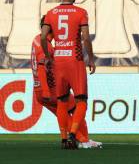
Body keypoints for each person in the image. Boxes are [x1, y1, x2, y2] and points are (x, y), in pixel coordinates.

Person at [41, 0, 96, 150]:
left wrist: (48, 56)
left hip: (58, 59)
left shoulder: (51, 13)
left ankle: (64, 139)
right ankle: (73, 134)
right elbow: (86, 37)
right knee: (81, 100)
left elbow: (43, 36)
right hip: (75, 59)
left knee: (62, 101)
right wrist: (91, 58)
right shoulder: (81, 12)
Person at [31, 17, 100, 148]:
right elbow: (41, 68)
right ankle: (83, 141)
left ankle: (73, 140)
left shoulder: (37, 39)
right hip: (48, 90)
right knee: (77, 107)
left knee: (63, 112)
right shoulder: (46, 47)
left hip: (39, 91)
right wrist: (46, 90)